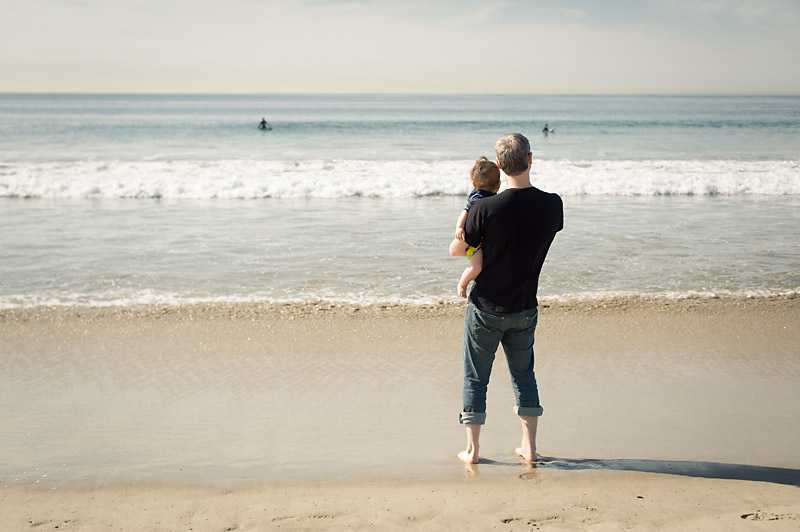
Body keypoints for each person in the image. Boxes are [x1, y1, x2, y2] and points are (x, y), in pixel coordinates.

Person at [449, 133, 563, 465]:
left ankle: (472, 451)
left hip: (485, 307)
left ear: (499, 165)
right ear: (530, 159)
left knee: (475, 377)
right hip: (525, 307)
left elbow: (458, 249)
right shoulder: (552, 205)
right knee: (523, 374)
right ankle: (528, 448)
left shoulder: (483, 207)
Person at [454, 157, 502, 298]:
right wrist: (459, 228)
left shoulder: (492, 196)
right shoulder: (477, 197)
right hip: (473, 242)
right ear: (499, 184)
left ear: (474, 183)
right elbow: (465, 211)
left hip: (481, 239)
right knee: (476, 267)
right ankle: (462, 285)